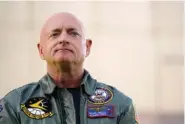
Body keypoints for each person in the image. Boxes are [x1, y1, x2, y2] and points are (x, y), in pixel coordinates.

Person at [0, 12, 139, 124]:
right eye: (54, 34)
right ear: (41, 50)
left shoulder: (120, 105)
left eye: (73, 33)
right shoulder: (13, 105)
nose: (63, 39)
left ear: (88, 47)